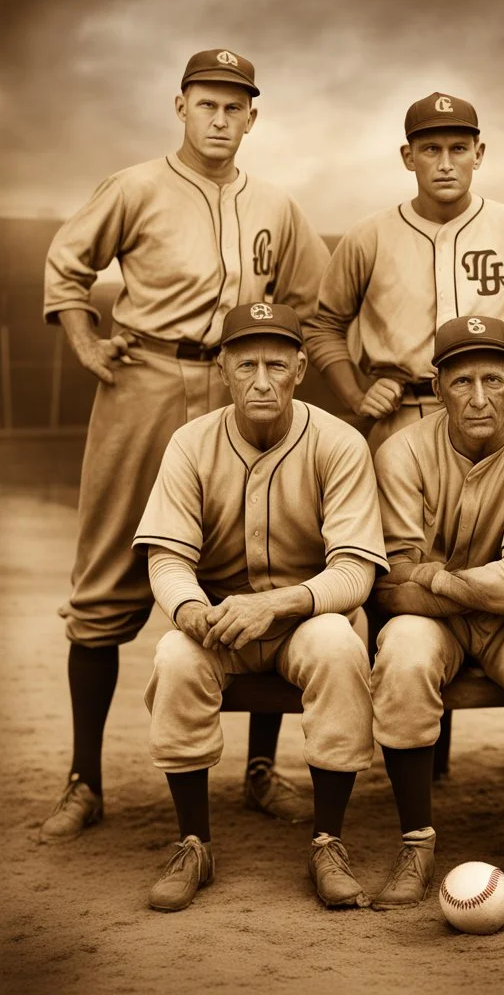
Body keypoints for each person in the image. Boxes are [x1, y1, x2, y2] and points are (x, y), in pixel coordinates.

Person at [39, 49, 330, 842]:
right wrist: (87, 343)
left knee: (263, 559)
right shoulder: (134, 186)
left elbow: (306, 296)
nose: (222, 119)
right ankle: (83, 780)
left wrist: (277, 368)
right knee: (105, 576)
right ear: (181, 106)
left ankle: (262, 770)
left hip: (245, 390)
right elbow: (68, 266)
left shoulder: (277, 204)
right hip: (149, 379)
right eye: (209, 103)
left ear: (254, 117)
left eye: (237, 106)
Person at [134, 302, 389, 911]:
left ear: (301, 369)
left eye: (277, 364)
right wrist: (194, 614)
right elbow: (166, 560)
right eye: (246, 364)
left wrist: (277, 605)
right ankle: (193, 841)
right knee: (174, 654)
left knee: (337, 645)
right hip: (220, 621)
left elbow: (355, 570)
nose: (262, 380)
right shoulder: (190, 443)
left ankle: (328, 840)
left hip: (307, 617)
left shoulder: (339, 442)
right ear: (222, 368)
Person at [368, 315, 504, 910]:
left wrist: (432, 575)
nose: (479, 397)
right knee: (404, 654)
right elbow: (387, 591)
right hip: (430, 622)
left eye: (493, 377)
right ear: (437, 387)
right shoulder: (402, 451)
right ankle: (416, 845)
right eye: (462, 381)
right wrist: (476, 585)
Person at [303, 91, 504, 454]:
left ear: (478, 154)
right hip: (402, 413)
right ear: (409, 157)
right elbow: (325, 326)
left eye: (458, 149)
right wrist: (357, 395)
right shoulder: (368, 236)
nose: (446, 164)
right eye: (431, 150)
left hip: (491, 417)